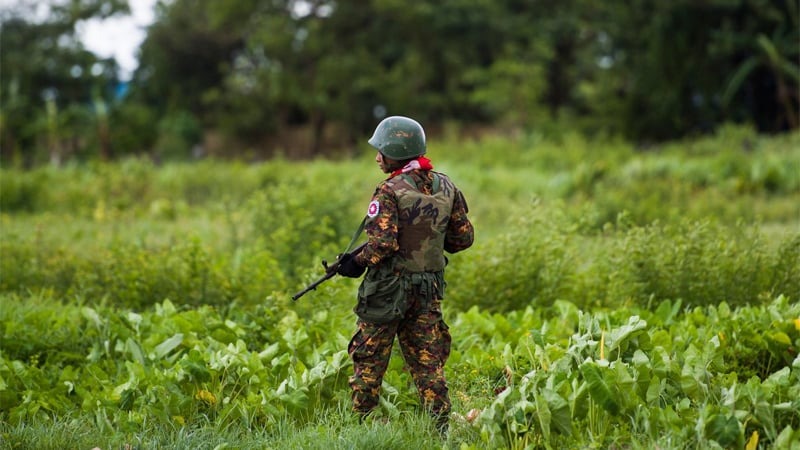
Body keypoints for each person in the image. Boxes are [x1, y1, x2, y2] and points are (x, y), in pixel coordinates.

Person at [336, 115, 474, 434]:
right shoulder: (447, 185)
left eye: (381, 150)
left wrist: (355, 263)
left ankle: (359, 426)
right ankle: (441, 429)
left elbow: (382, 245)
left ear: (395, 152)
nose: (376, 156)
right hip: (427, 289)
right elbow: (463, 239)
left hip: (388, 290)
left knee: (369, 357)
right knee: (428, 361)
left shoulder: (389, 190)